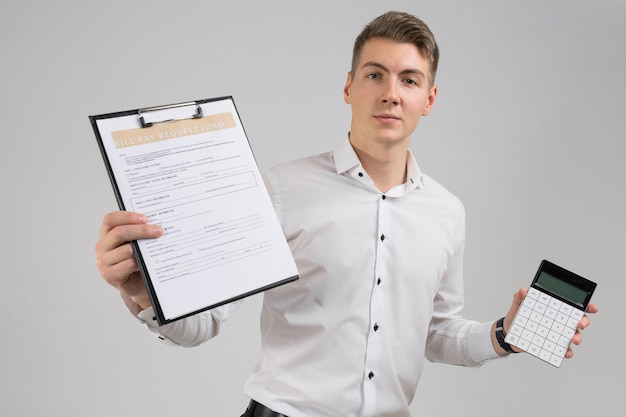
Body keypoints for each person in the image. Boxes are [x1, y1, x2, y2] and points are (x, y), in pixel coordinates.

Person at [95, 11, 598, 417]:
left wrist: (505, 334)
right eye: (375, 74)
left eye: (409, 79)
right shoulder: (281, 189)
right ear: (349, 85)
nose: (390, 93)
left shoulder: (446, 213)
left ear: (429, 99)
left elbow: (436, 334)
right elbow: (204, 323)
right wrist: (141, 292)